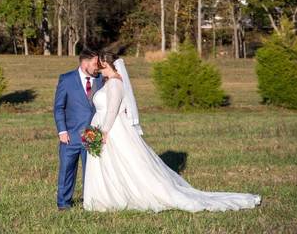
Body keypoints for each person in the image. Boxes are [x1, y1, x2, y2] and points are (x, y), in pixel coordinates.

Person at [82, 51, 261, 212]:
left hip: (112, 129)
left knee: (126, 163)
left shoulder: (114, 83)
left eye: (100, 65)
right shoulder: (109, 82)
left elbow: (113, 110)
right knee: (111, 164)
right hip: (105, 127)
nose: (97, 68)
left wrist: (104, 131)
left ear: (106, 64)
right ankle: (106, 196)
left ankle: (122, 196)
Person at [53, 47, 103, 210]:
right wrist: (62, 131)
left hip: (93, 135)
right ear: (84, 62)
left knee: (92, 171)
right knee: (67, 170)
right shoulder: (66, 79)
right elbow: (59, 107)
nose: (98, 67)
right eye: (95, 63)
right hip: (71, 136)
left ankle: (91, 202)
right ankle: (63, 203)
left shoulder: (101, 79)